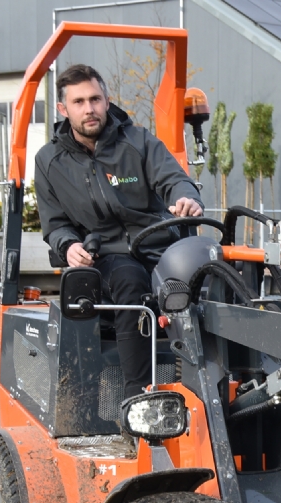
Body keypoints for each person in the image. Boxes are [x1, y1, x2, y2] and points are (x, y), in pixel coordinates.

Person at [35, 63, 203, 408]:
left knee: (213, 274)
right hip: (107, 256)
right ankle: (136, 399)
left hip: (160, 246)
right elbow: (55, 224)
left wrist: (186, 197)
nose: (89, 109)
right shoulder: (49, 161)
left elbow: (174, 179)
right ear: (63, 109)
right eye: (79, 102)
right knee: (130, 281)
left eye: (95, 99)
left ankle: (221, 391)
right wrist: (68, 245)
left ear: (107, 100)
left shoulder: (138, 142)